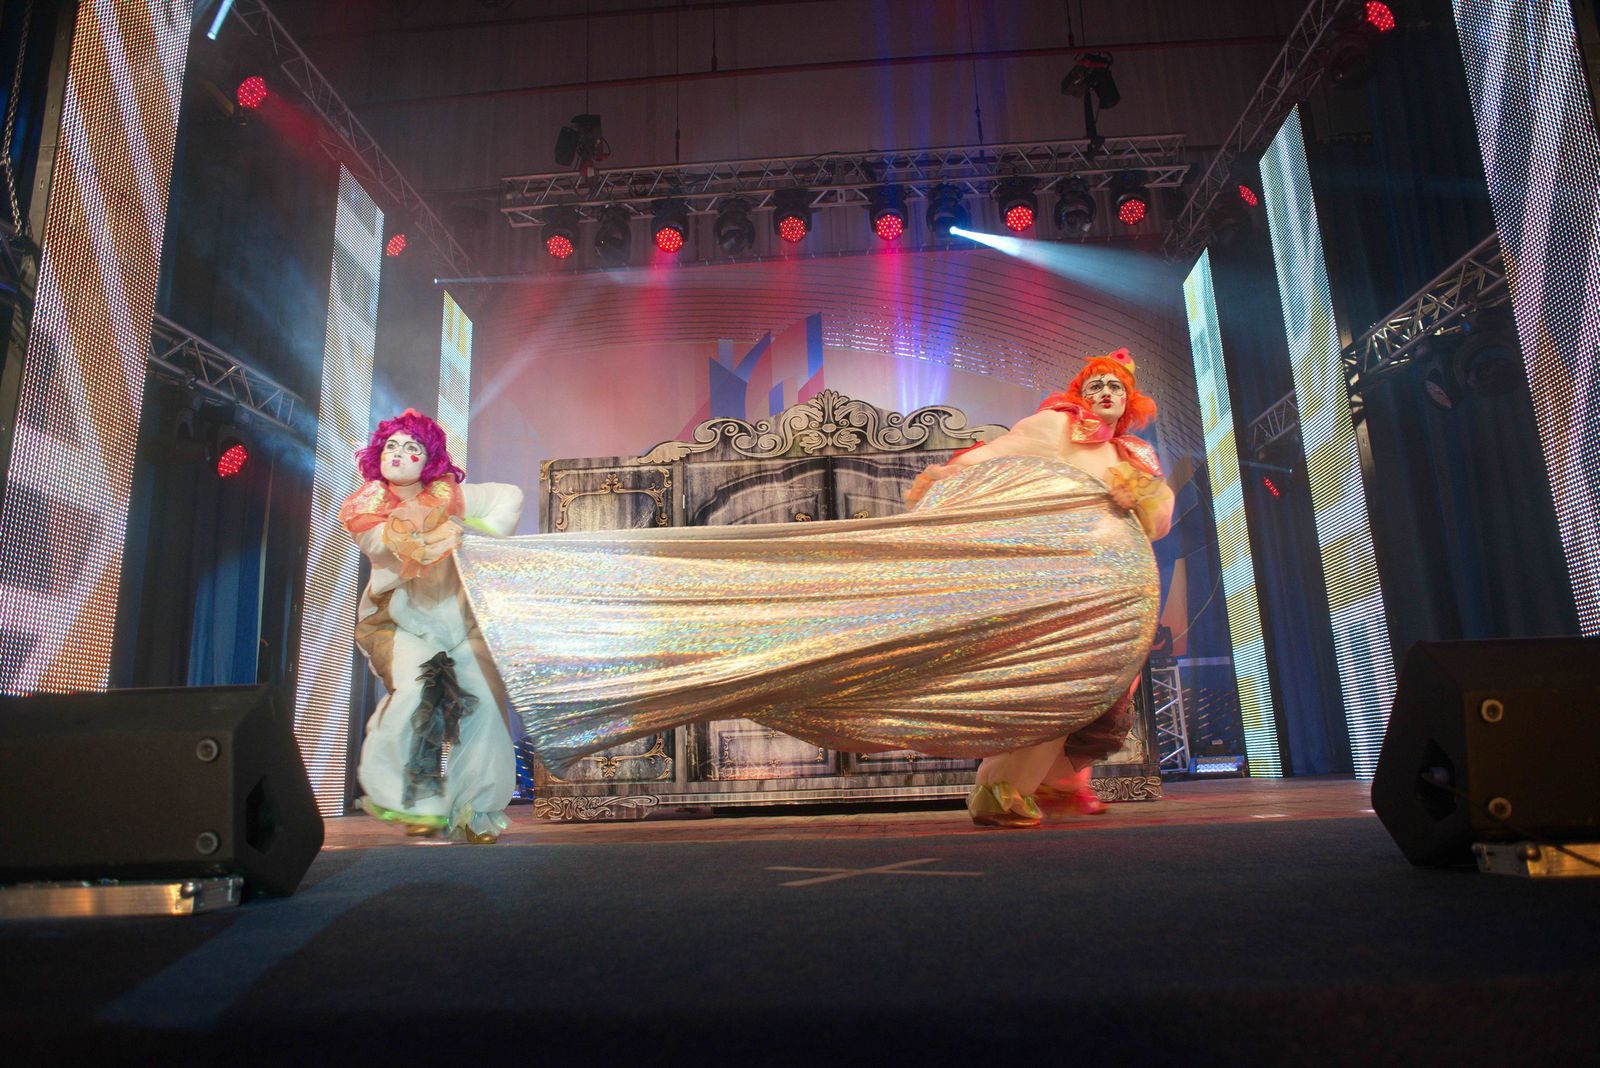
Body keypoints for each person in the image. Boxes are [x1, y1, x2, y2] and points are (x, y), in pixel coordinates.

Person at [904, 348, 1174, 828]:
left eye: (1115, 387)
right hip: (1059, 584)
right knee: (1062, 686)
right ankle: (1002, 789)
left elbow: (1158, 519)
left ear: (1129, 400)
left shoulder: (1134, 455)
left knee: (1101, 694)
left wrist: (1139, 495)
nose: (1105, 393)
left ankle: (1059, 783)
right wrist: (946, 477)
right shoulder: (1058, 427)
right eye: (1095, 386)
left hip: (1111, 591)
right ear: (1080, 396)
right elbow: (998, 455)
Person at [338, 409, 525, 843]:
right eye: (391, 446)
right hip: (401, 622)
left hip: (460, 620)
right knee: (417, 693)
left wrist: (474, 535)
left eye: (412, 448)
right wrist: (440, 527)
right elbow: (388, 545)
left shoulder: (450, 496)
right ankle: (410, 802)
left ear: (429, 459)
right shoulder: (366, 507)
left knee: (482, 705)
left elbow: (509, 496)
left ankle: (475, 811)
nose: (398, 454)